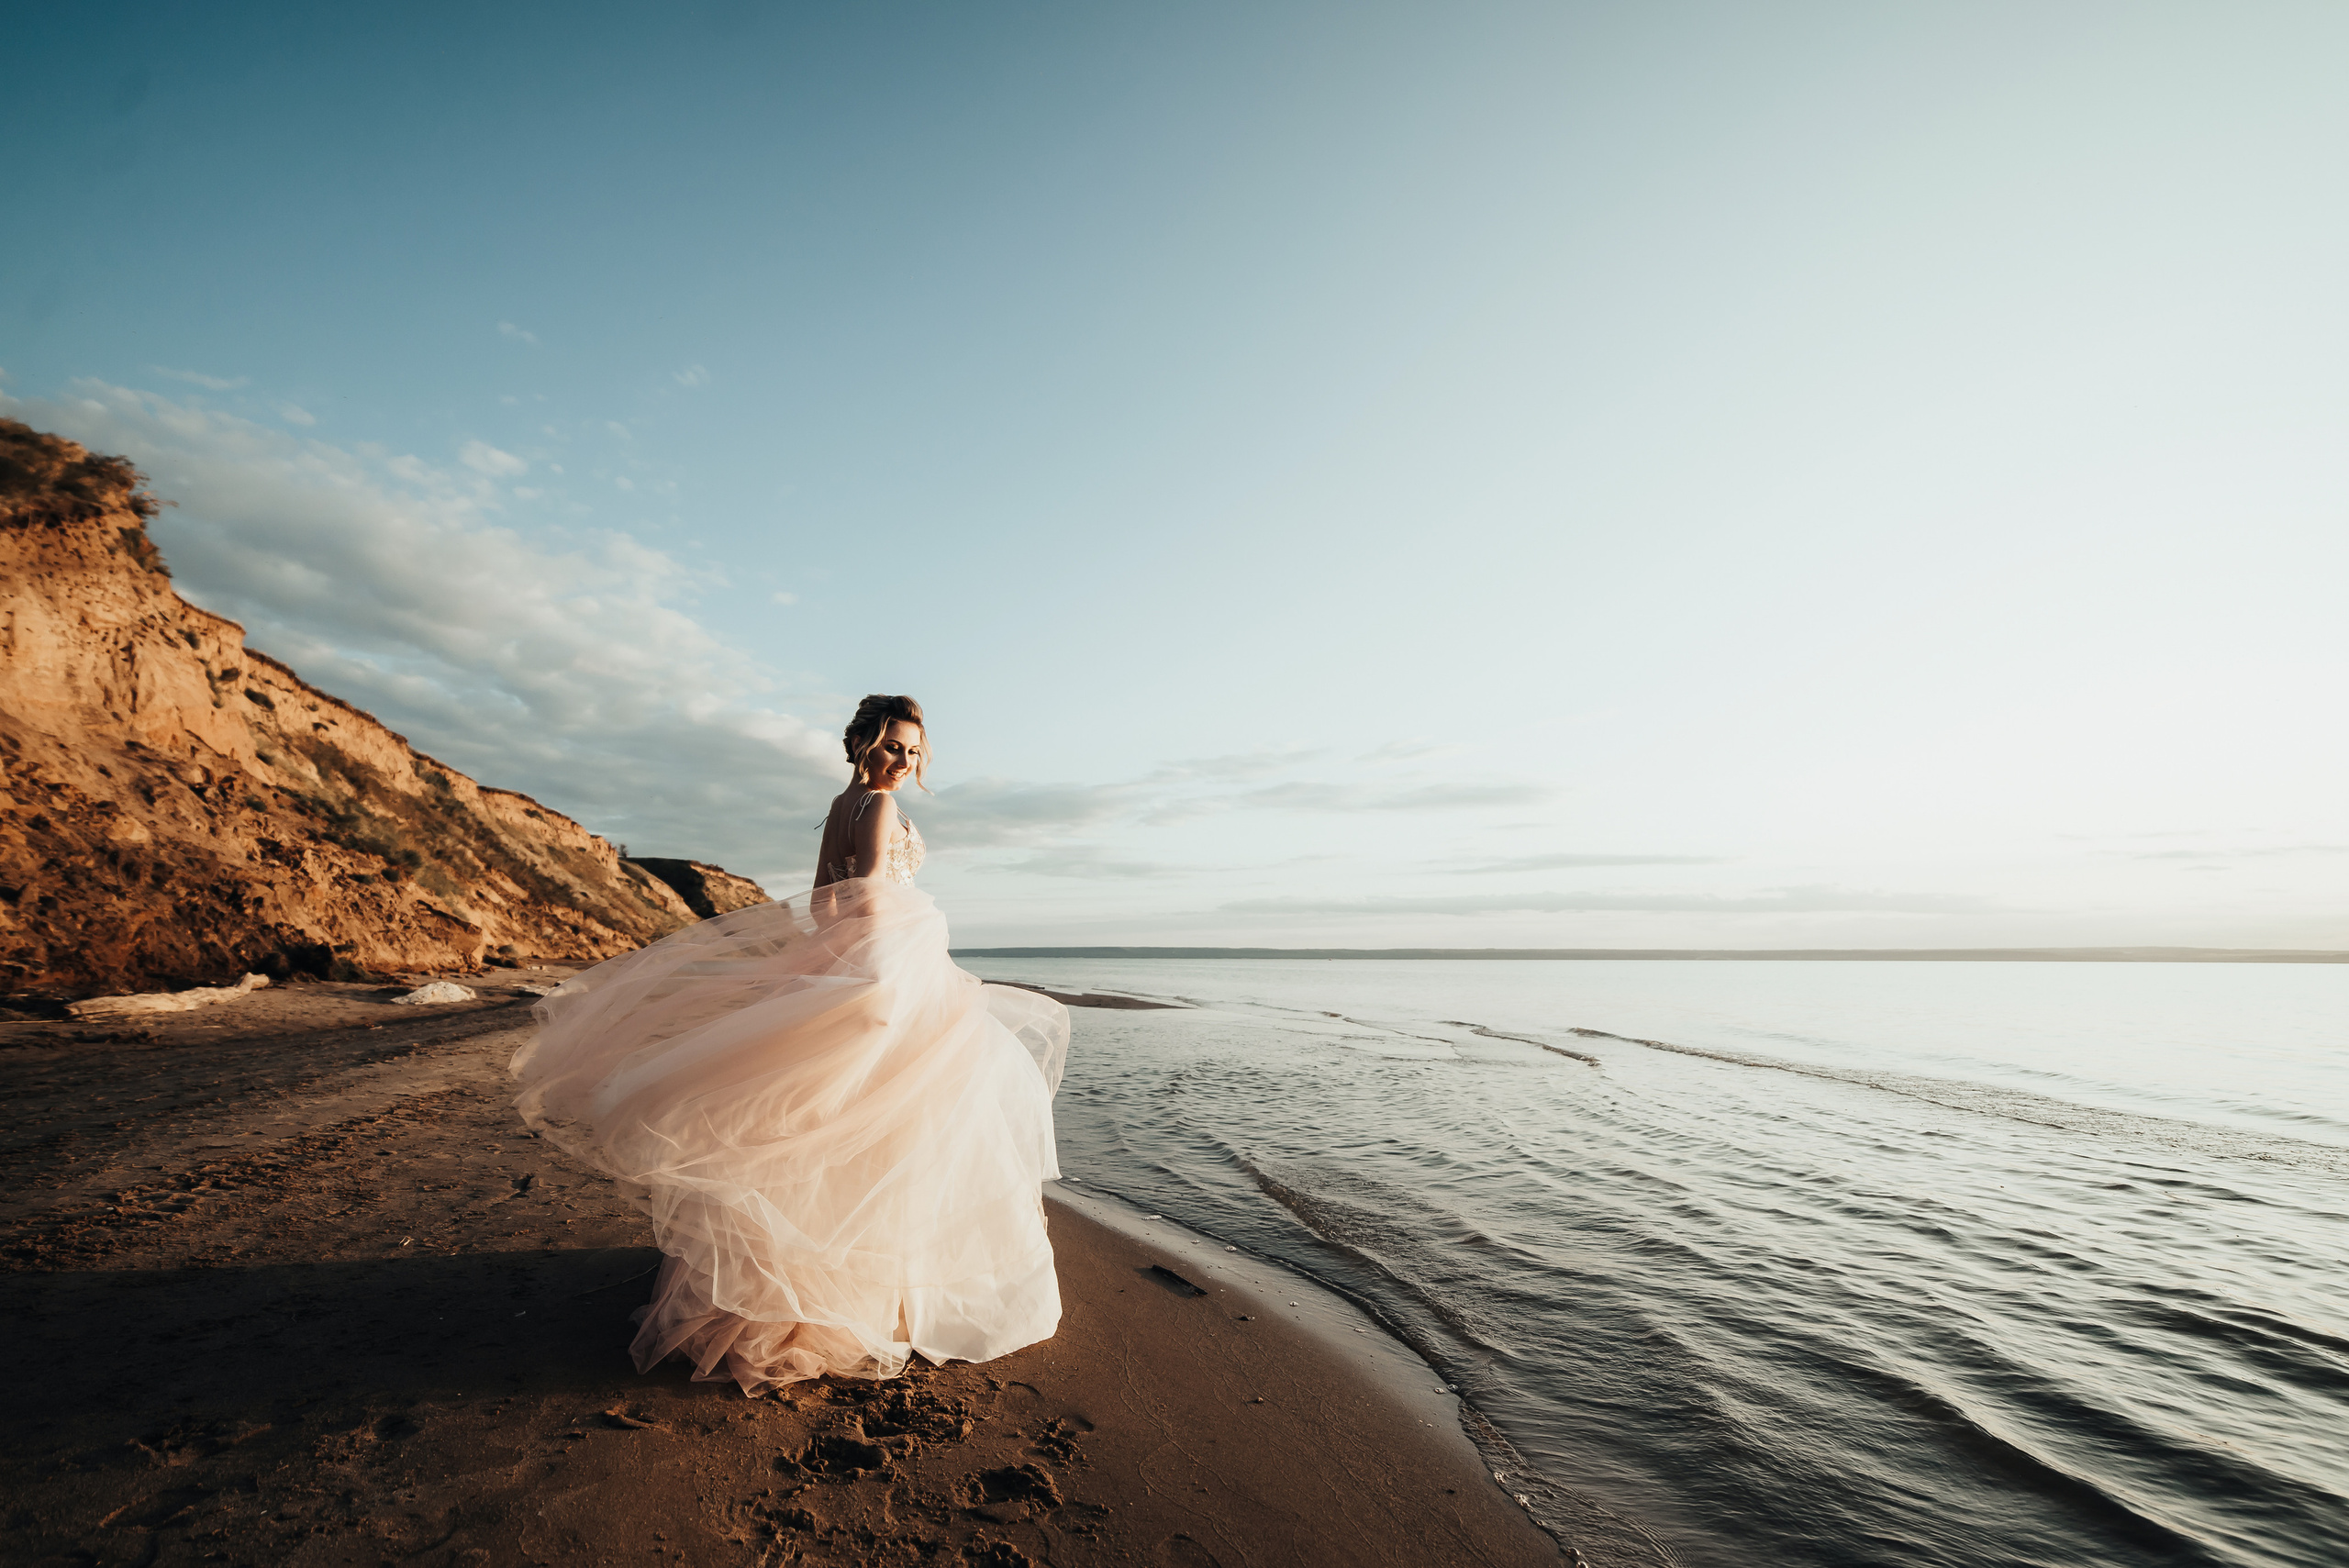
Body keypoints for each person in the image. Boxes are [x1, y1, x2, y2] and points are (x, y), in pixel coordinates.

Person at [509, 694, 1070, 1393]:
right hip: (887, 970)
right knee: (898, 1126)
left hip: (864, 963)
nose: (905, 760)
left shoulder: (840, 806)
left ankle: (814, 1289)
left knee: (847, 1129)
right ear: (863, 741)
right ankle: (867, 1293)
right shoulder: (877, 807)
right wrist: (886, 964)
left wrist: (832, 963)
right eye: (894, 745)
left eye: (915, 750)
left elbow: (818, 899)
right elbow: (867, 891)